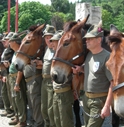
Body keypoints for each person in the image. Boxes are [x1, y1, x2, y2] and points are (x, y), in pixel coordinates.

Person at [72, 24, 113, 127]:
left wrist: (107, 106)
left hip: (99, 101)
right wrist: (80, 69)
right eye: (86, 39)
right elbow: (92, 71)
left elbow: (113, 82)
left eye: (90, 39)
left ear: (99, 40)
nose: (86, 41)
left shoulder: (107, 57)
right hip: (86, 98)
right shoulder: (89, 55)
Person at [50, 30, 76, 127]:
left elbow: (74, 76)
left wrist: (74, 90)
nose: (52, 43)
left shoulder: (66, 57)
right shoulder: (56, 56)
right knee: (57, 120)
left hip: (64, 92)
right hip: (56, 92)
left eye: (55, 41)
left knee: (66, 122)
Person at [8, 33, 27, 127]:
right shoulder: (15, 52)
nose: (8, 43)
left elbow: (20, 69)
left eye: (10, 41)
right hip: (12, 77)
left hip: (17, 78)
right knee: (15, 99)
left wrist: (17, 83)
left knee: (19, 99)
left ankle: (22, 121)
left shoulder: (20, 52)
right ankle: (18, 117)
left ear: (15, 42)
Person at [40, 24, 56, 127]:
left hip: (51, 81)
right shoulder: (46, 49)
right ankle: (47, 124)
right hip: (44, 81)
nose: (48, 40)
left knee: (51, 108)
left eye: (51, 38)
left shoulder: (57, 50)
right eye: (46, 38)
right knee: (43, 107)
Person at [0, 32, 15, 117]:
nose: (4, 42)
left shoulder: (11, 51)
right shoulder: (6, 50)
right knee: (5, 92)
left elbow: (11, 63)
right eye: (4, 41)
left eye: (6, 40)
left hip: (9, 73)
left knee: (10, 93)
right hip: (4, 72)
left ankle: (11, 110)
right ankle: (8, 109)